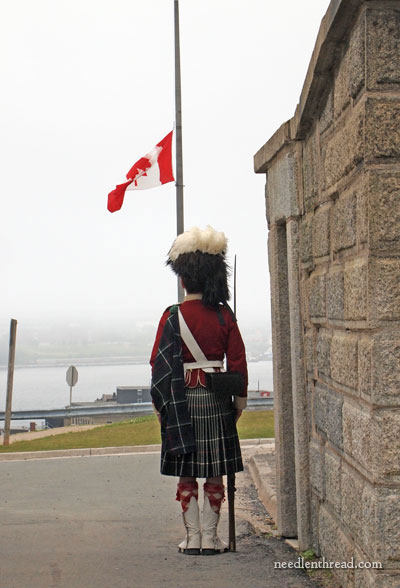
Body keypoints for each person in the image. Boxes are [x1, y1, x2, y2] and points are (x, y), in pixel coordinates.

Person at [150, 225, 248, 556]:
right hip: (217, 400)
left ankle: (191, 538)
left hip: (181, 401)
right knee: (215, 469)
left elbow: (158, 365)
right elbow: (237, 361)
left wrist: (160, 406)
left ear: (182, 279)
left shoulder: (172, 316)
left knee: (187, 467)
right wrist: (240, 402)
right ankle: (211, 538)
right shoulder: (224, 315)